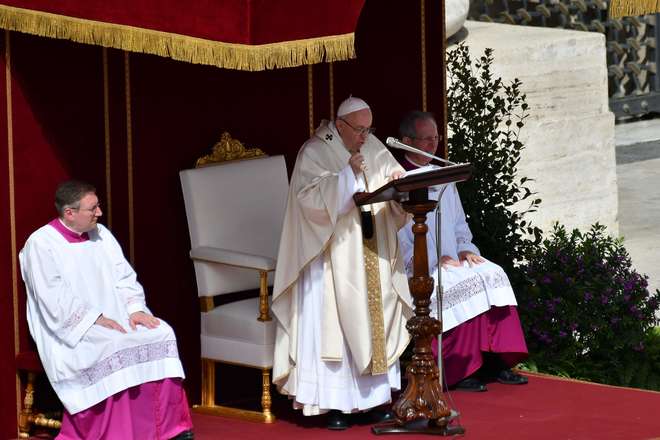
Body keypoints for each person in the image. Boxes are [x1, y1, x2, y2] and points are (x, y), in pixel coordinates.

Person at [271, 97, 413, 430]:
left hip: (371, 248)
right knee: (334, 325)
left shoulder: (373, 145)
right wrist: (346, 178)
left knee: (375, 317)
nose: (365, 137)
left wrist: (397, 180)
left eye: (369, 129)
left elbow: (389, 173)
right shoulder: (315, 152)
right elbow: (309, 200)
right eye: (360, 130)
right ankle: (333, 403)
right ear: (341, 124)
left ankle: (375, 400)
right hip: (332, 256)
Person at [19, 180, 193, 440]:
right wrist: (94, 319)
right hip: (72, 328)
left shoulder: (102, 234)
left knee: (160, 332)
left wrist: (136, 309)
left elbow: (124, 277)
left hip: (117, 315)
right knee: (111, 344)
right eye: (93, 208)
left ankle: (168, 429)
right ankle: (118, 433)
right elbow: (52, 298)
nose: (99, 213)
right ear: (70, 213)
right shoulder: (41, 244)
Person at [397, 111, 529, 392]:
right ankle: (461, 369)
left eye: (436, 138)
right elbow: (398, 235)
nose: (433, 145)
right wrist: (435, 260)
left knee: (493, 273)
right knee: (459, 284)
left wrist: (465, 249)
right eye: (426, 140)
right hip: (422, 266)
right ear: (407, 141)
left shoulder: (443, 174)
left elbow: (458, 223)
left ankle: (497, 362)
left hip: (454, 257)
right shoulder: (397, 180)